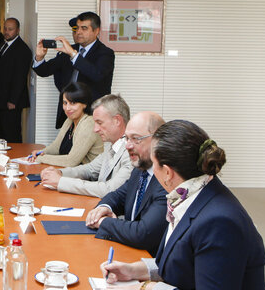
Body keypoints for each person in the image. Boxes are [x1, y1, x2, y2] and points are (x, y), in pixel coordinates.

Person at [101, 120, 265, 290]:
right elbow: (188, 259)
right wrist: (137, 270)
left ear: (167, 172)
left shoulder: (218, 220)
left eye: (154, 165)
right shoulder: (191, 196)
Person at [84, 112, 167, 255]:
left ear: (158, 140)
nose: (128, 146)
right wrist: (104, 207)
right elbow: (118, 196)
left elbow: (143, 233)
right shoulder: (140, 169)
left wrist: (103, 222)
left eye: (135, 139)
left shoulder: (167, 178)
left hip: (151, 265)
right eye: (126, 138)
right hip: (128, 252)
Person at [33, 11, 115, 128]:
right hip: (68, 111)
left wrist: (73, 55)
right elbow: (45, 71)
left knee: (86, 145)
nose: (78, 32)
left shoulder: (105, 53)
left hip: (92, 112)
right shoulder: (69, 49)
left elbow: (97, 74)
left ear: (96, 31)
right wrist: (39, 57)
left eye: (84, 28)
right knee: (66, 145)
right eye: (77, 28)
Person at [40, 94, 131, 197]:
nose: (95, 129)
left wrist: (61, 182)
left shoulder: (132, 152)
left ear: (117, 121)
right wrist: (60, 172)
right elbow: (89, 170)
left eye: (99, 123)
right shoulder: (111, 145)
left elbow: (109, 189)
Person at [35, 82, 103, 166]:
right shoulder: (70, 120)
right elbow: (56, 147)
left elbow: (71, 161)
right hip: (73, 173)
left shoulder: (89, 124)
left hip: (89, 176)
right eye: (65, 103)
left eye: (73, 103)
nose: (67, 108)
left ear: (84, 104)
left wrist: (42, 158)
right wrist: (40, 152)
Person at [0, 17, 32, 143]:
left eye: (10, 29)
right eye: (5, 28)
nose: (6, 31)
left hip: (10, 101)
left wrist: (13, 100)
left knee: (11, 134)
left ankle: (16, 159)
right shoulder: (4, 44)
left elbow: (20, 76)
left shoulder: (22, 49)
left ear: (18, 30)